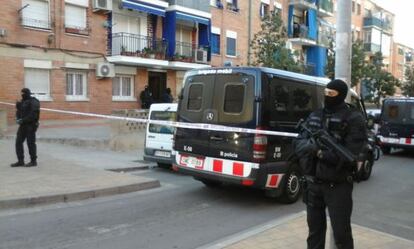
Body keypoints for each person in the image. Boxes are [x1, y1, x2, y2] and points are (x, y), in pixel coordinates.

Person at [293, 79, 368, 249]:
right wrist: (309, 147)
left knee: (341, 235)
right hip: (313, 184)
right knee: (314, 234)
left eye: (331, 94)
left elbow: (350, 155)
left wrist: (319, 153)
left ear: (341, 95)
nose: (327, 97)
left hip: (338, 185)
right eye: (325, 93)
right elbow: (298, 143)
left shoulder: (353, 118)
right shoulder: (316, 115)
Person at [11, 88, 40, 167]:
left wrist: (23, 120)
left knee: (30, 143)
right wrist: (17, 117)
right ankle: (20, 161)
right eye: (21, 93)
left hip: (31, 125)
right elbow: (19, 112)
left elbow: (33, 115)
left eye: (23, 93)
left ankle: (33, 161)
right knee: (18, 142)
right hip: (23, 126)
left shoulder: (34, 101)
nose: (22, 95)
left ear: (28, 93)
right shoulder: (23, 102)